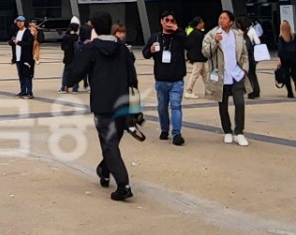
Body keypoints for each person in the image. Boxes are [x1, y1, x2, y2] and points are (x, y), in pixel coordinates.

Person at [61, 11, 138, 202]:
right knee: (112, 142)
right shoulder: (122, 48)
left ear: (94, 28)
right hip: (122, 103)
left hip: (102, 104)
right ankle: (104, 169)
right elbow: (132, 75)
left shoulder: (92, 48)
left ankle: (123, 185)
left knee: (109, 144)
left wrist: (69, 76)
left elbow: (75, 73)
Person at [202, 11, 250, 146]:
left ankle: (239, 132)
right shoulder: (211, 34)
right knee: (222, 106)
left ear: (231, 22)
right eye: (220, 18)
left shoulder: (238, 35)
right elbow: (205, 52)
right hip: (220, 76)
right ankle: (227, 131)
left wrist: (245, 70)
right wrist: (214, 41)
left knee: (239, 103)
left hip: (236, 75)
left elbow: (245, 55)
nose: (221, 20)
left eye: (224, 18)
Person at [144, 10, 187, 146]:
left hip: (177, 79)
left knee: (176, 106)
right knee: (162, 107)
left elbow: (190, 45)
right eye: (166, 20)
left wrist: (178, 30)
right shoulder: (155, 38)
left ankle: (176, 133)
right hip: (161, 79)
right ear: (161, 21)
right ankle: (164, 129)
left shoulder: (179, 37)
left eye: (172, 21)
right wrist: (150, 50)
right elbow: (145, 54)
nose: (169, 23)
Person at [277, 21, 296, 98]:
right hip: (294, 57)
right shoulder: (294, 36)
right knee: (295, 72)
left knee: (286, 74)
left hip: (285, 58)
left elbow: (280, 50)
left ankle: (290, 92)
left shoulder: (281, 37)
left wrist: (279, 60)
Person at [10, 16, 35, 99]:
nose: (19, 23)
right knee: (21, 75)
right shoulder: (16, 32)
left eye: (21, 21)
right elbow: (11, 42)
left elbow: (28, 44)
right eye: (18, 21)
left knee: (27, 75)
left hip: (26, 58)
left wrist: (19, 42)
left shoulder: (28, 33)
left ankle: (29, 92)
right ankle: (23, 91)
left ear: (24, 22)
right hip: (18, 58)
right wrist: (13, 42)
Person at [184, 16, 208, 99]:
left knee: (204, 74)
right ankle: (188, 90)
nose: (203, 23)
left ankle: (209, 90)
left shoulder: (192, 33)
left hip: (195, 57)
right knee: (195, 74)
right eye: (202, 22)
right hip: (198, 57)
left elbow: (187, 45)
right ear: (199, 23)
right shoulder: (200, 35)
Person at [59, 23, 80, 93]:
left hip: (67, 57)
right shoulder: (77, 37)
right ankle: (75, 88)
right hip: (76, 57)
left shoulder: (65, 37)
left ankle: (64, 87)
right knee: (75, 73)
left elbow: (62, 47)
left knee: (66, 73)